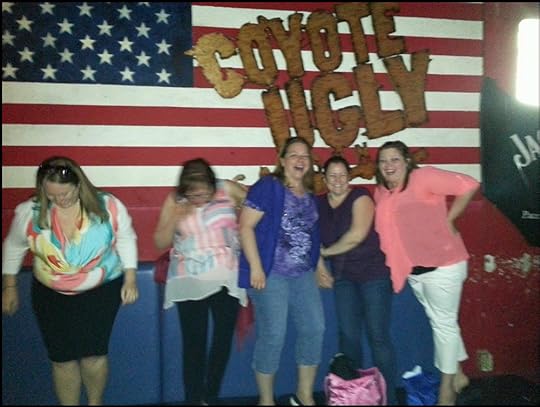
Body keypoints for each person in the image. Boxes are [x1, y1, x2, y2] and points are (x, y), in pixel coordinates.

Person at [2, 156, 139, 405]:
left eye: (64, 193)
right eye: (51, 195)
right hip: (50, 295)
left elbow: (126, 238)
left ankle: (95, 403)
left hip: (100, 291)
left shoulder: (107, 206)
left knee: (93, 355)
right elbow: (13, 246)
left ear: (78, 184)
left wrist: (131, 279)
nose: (59, 199)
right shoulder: (30, 212)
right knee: (61, 358)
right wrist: (10, 287)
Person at [374, 141, 479, 406]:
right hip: (414, 270)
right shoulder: (382, 193)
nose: (388, 165)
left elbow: (469, 184)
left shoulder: (423, 177)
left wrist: (451, 219)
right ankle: (459, 374)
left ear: (407, 161)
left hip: (444, 265)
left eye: (394, 159)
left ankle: (447, 390)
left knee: (443, 325)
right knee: (441, 323)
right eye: (383, 160)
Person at [238, 136, 326, 406]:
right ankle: (266, 400)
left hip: (303, 273)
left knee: (315, 328)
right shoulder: (269, 187)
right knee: (273, 335)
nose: (300, 160)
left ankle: (304, 395)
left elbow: (311, 236)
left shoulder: (309, 195)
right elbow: (245, 227)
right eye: (294, 155)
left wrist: (319, 266)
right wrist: (256, 267)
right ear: (282, 160)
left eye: (305, 156)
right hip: (271, 273)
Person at [153, 157, 248, 405]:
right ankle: (194, 399)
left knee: (222, 339)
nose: (199, 199)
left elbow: (257, 209)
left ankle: (210, 396)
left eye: (204, 193)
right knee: (194, 342)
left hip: (225, 274)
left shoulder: (227, 188)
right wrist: (175, 217)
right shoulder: (175, 200)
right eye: (193, 195)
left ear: (212, 184)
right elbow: (160, 242)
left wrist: (241, 207)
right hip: (188, 276)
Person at [317, 155, 398, 405]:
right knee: (348, 339)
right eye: (332, 175)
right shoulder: (318, 203)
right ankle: (354, 398)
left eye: (342, 175)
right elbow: (311, 238)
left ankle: (388, 399)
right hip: (344, 279)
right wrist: (318, 265)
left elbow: (357, 235)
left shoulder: (361, 197)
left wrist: (325, 254)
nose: (338, 180)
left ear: (349, 177)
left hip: (373, 275)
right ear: (324, 179)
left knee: (377, 337)